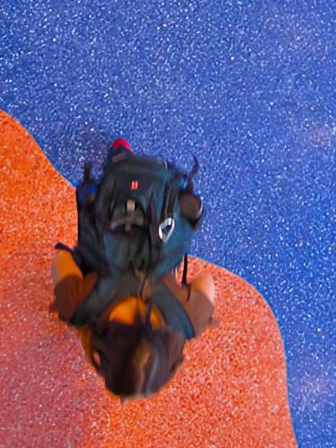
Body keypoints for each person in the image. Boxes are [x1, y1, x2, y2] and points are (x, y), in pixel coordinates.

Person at [51, 139, 215, 398]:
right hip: (113, 187)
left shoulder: (190, 318)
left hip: (167, 190)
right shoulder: (77, 306)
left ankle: (131, 158)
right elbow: (61, 259)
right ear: (101, 353)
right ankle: (119, 155)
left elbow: (205, 280)